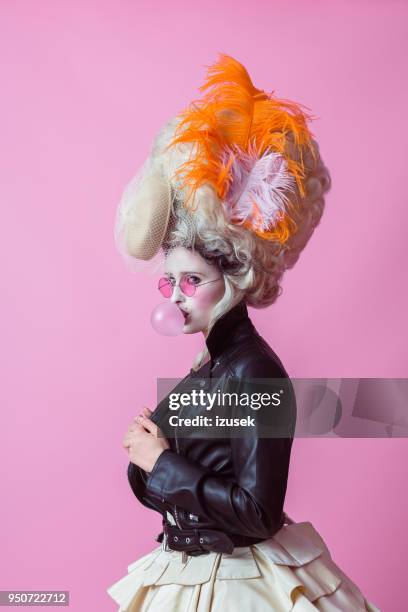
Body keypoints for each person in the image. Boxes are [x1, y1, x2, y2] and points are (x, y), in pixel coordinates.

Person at [107, 54, 380, 611]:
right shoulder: (206, 368)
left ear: (233, 279)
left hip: (238, 580)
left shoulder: (253, 370)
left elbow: (257, 511)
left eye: (193, 280)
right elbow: (171, 485)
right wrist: (147, 456)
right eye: (171, 282)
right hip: (184, 565)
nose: (179, 294)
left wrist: (160, 460)